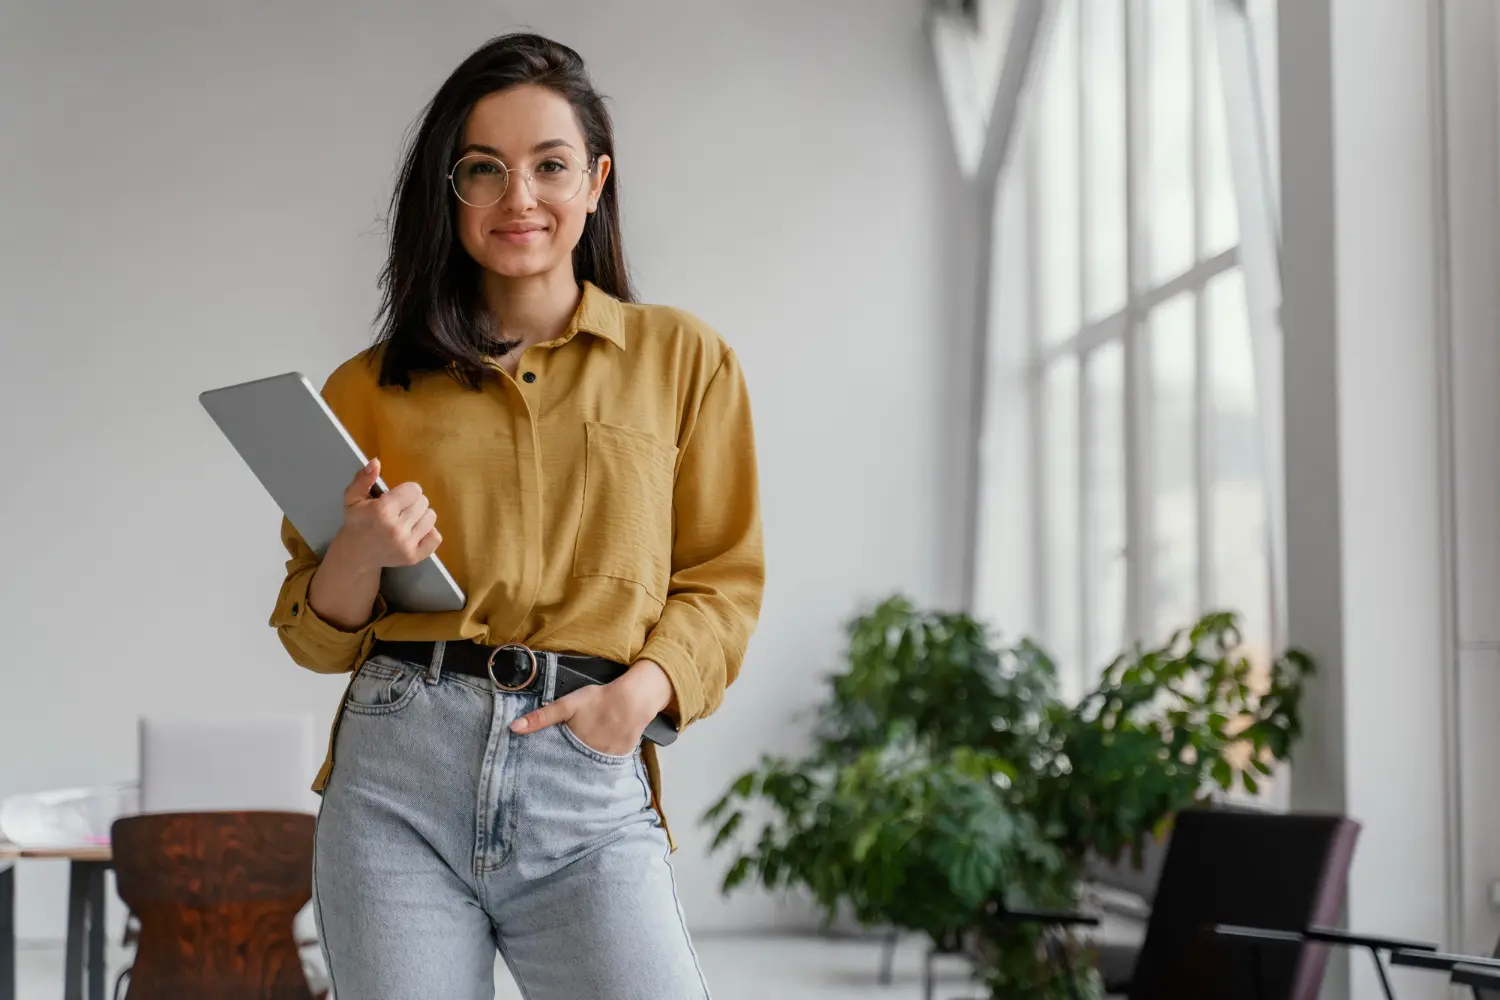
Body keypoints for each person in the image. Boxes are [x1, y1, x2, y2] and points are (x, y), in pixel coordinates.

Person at [268, 32, 763, 1000]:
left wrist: (640, 695)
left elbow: (721, 577)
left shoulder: (683, 360)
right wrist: (360, 554)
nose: (519, 198)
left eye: (550, 165)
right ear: (447, 192)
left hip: (586, 768)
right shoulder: (367, 389)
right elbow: (317, 637)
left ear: (596, 181)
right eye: (483, 170)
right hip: (394, 778)